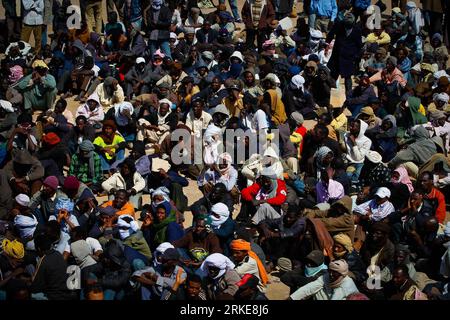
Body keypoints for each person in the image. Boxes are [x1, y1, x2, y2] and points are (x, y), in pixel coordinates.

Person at [290, 259, 359, 300]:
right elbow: (310, 287)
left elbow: (335, 298)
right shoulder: (327, 276)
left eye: (335, 272)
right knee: (316, 289)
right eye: (330, 271)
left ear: (341, 274)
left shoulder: (347, 284)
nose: (331, 274)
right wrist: (292, 298)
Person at [30, 233, 72, 300]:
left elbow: (35, 286)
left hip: (53, 296)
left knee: (30, 294)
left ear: (38, 249)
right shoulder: (58, 254)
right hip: (67, 293)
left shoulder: (43, 260)